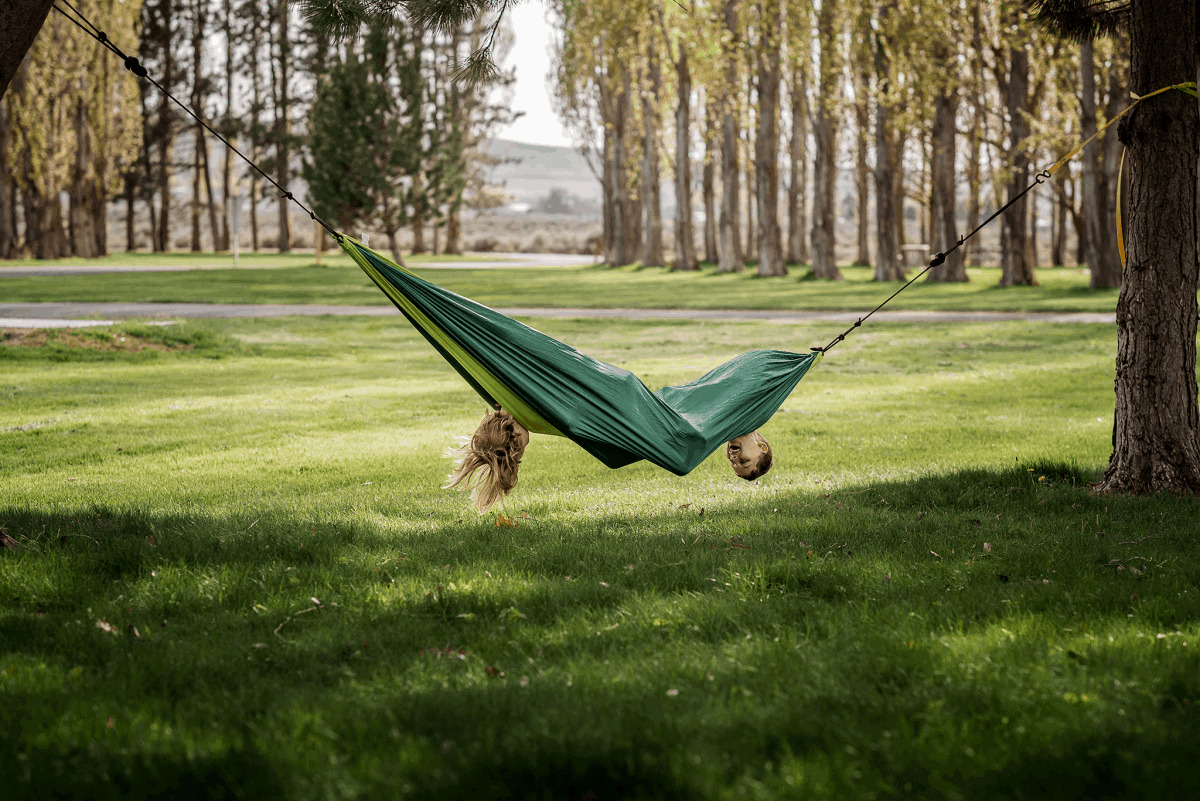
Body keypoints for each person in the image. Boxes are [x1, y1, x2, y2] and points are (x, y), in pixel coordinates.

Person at [446, 409, 772, 510]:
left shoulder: (728, 425)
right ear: (762, 446)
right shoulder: (752, 414)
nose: (735, 461)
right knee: (679, 459)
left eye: (737, 467)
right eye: (745, 463)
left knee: (679, 458)